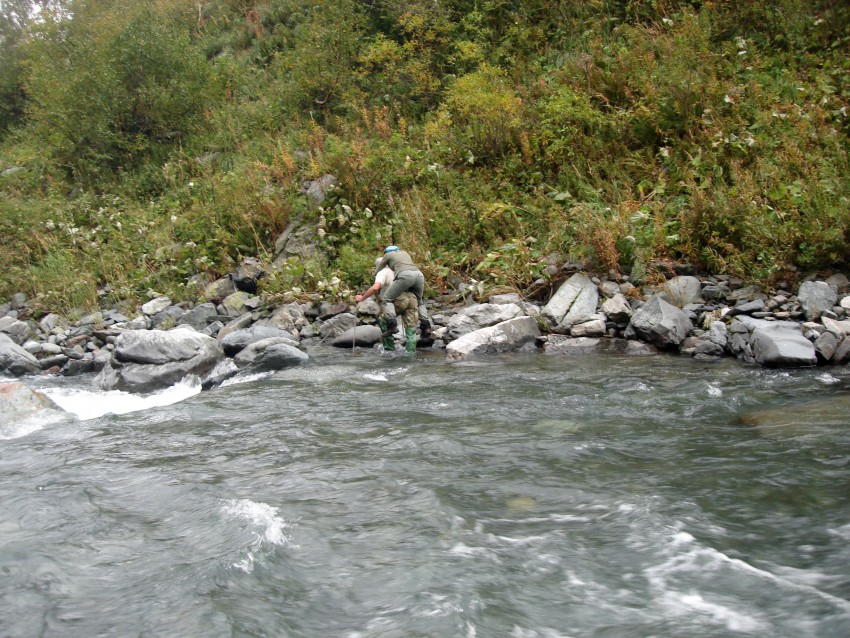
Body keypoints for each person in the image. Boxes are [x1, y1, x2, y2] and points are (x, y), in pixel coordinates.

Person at [355, 259, 419, 352]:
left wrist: (362, 298)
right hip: (412, 298)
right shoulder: (401, 270)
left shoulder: (383, 272)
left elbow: (375, 288)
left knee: (384, 320)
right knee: (410, 327)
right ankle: (411, 354)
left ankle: (389, 349)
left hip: (399, 299)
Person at [372, 246, 431, 340]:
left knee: (387, 299)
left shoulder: (388, 255)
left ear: (386, 252)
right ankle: (426, 326)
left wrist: (375, 274)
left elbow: (380, 267)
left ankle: (392, 326)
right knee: (420, 301)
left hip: (405, 275)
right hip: (419, 275)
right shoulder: (405, 253)